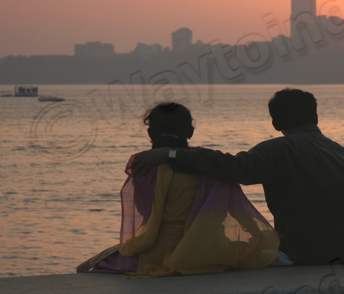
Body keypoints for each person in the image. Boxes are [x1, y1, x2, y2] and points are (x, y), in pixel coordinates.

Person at [132, 88, 344, 266]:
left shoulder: (277, 150)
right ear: (316, 118)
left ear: (275, 123)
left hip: (309, 256)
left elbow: (235, 167)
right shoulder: (340, 152)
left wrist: (171, 153)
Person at [77, 102, 279, 277]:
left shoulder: (144, 165)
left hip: (160, 253)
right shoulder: (209, 165)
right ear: (190, 132)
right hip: (210, 251)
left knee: (95, 264)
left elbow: (144, 211)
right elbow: (236, 211)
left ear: (149, 133)